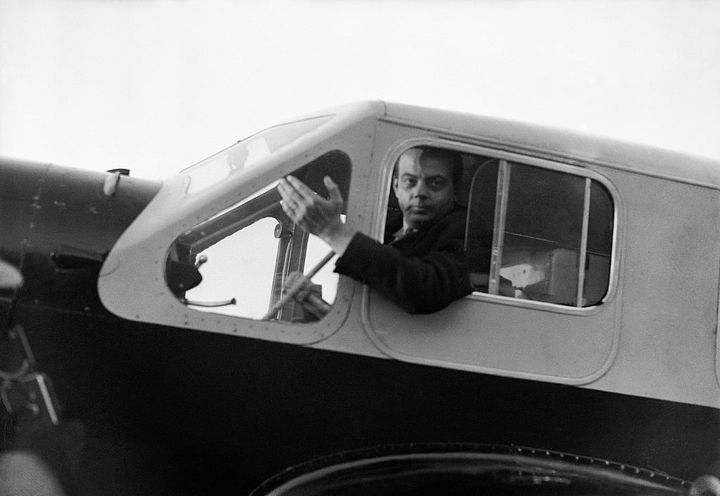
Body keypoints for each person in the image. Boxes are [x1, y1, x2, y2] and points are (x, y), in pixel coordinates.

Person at [277, 146, 473, 314]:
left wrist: (333, 232)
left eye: (435, 183)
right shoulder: (382, 229)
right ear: (396, 187)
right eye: (410, 182)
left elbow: (427, 291)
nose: (420, 193)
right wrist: (314, 302)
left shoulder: (467, 231)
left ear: (455, 191)